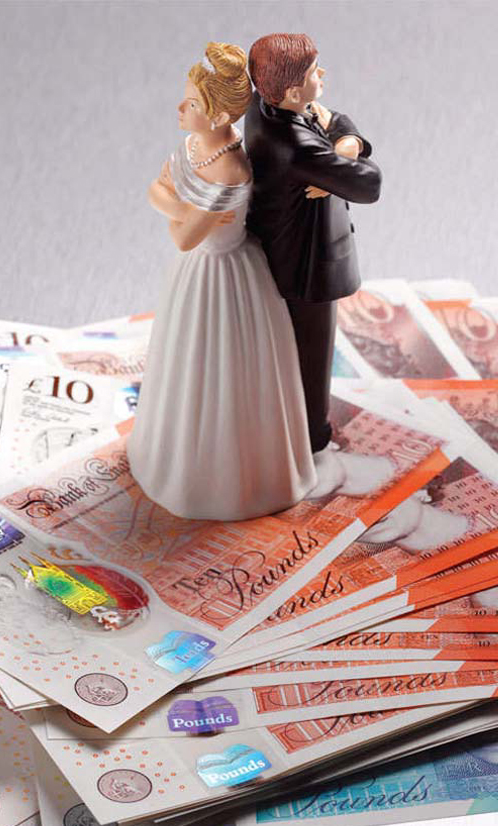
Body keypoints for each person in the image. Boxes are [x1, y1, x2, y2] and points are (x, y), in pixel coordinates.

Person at [127, 42, 316, 521]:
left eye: (191, 102)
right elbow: (154, 193)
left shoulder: (231, 170)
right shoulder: (195, 145)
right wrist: (184, 208)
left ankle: (230, 483)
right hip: (194, 275)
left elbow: (184, 237)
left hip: (227, 279)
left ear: (215, 115)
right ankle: (177, 463)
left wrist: (177, 208)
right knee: (186, 364)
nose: (179, 107)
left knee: (227, 374)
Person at [244, 33, 382, 453]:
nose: (323, 74)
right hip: (307, 265)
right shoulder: (298, 148)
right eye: (312, 72)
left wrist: (345, 144)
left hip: (281, 250)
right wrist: (340, 158)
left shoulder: (263, 106)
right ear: (291, 92)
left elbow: (333, 117)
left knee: (290, 350)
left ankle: (288, 426)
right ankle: (309, 436)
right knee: (311, 354)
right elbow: (369, 183)